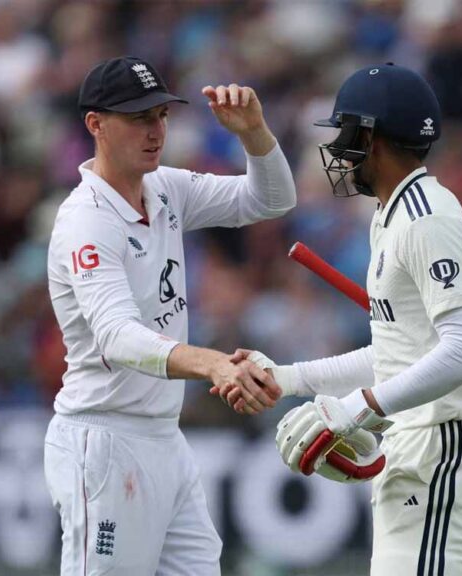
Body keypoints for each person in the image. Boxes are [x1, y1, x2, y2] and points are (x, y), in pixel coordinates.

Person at [222, 63, 462, 576]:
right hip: (421, 440)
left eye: (346, 133)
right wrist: (288, 378)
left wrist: (360, 406)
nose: (339, 149)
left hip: (445, 442)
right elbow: (397, 354)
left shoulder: (427, 219)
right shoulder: (390, 215)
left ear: (372, 138)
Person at [43, 56, 292, 575]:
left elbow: (270, 199)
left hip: (164, 438)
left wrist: (254, 133)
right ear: (95, 124)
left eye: (161, 116)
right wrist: (213, 364)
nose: (156, 131)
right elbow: (118, 337)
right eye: (139, 119)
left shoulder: (165, 188)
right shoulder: (86, 221)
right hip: (105, 440)